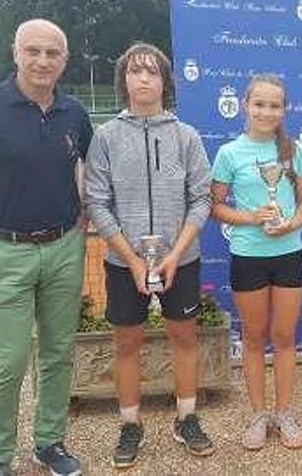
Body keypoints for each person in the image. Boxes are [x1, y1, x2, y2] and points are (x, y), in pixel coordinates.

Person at [0, 19, 92, 476]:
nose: (42, 61)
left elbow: (87, 171)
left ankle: (49, 444)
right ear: (15, 53)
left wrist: (84, 222)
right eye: (33, 51)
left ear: (64, 61)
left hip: (64, 248)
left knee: (57, 354)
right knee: (9, 362)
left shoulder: (74, 112)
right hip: (2, 253)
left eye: (52, 53)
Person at [84, 42, 214, 467]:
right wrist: (135, 260)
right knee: (126, 342)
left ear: (165, 82)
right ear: (124, 80)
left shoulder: (186, 136)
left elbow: (201, 200)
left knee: (184, 337)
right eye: (135, 72)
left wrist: (175, 253)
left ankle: (186, 418)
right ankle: (130, 424)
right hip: (125, 263)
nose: (144, 79)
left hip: (182, 258)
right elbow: (97, 203)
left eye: (152, 72)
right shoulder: (105, 136)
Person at [210, 74, 302, 449]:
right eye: (260, 104)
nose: (267, 112)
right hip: (248, 256)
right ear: (245, 106)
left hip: (287, 254)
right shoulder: (229, 154)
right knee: (253, 338)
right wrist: (251, 218)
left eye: (275, 105)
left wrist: (290, 225)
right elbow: (215, 207)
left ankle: (284, 413)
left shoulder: (294, 150)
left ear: (283, 110)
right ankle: (258, 415)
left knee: (284, 337)